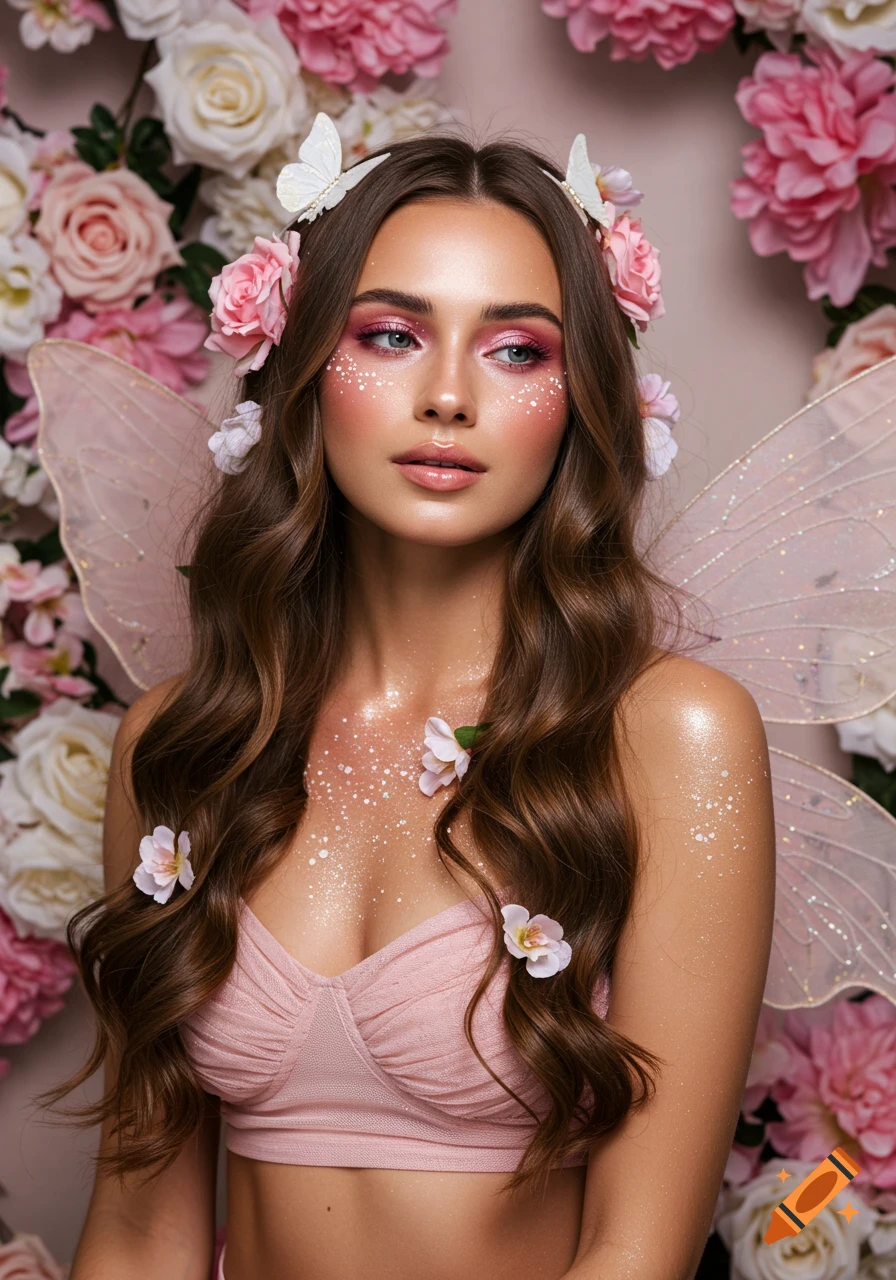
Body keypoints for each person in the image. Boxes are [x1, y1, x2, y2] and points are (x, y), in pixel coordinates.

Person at [46, 122, 776, 1280]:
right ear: (298, 367)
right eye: (387, 335)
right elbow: (140, 1238)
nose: (445, 395)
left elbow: (635, 1254)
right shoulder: (185, 747)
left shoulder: (665, 736)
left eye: (516, 352)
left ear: (582, 395)